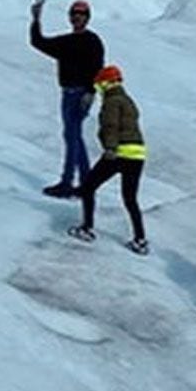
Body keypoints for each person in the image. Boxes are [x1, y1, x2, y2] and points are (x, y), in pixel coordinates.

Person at [67, 65, 147, 252]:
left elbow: (110, 125)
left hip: (118, 153)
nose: (98, 88)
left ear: (106, 83)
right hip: (137, 154)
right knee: (130, 198)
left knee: (88, 187)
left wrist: (110, 148)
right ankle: (140, 239)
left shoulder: (112, 101)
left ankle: (87, 228)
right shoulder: (128, 100)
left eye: (100, 84)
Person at [30, 0, 105, 197]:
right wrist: (36, 20)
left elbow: (98, 69)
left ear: (87, 18)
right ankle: (86, 182)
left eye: (81, 14)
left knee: (72, 136)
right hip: (68, 93)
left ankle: (67, 182)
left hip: (80, 94)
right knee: (73, 136)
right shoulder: (67, 41)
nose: (77, 17)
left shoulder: (92, 41)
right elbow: (38, 42)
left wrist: (91, 91)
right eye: (74, 14)